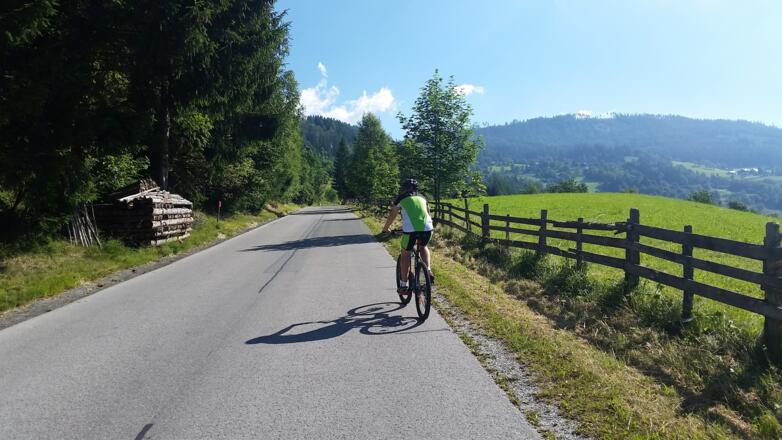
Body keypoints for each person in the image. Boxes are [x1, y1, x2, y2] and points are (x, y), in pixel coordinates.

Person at [382, 179, 434, 293]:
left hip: (411, 231)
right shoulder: (423, 198)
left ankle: (404, 285)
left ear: (404, 188)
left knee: (405, 254)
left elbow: (392, 215)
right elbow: (428, 213)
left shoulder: (401, 198)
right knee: (423, 247)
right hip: (427, 228)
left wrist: (386, 229)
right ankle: (428, 270)